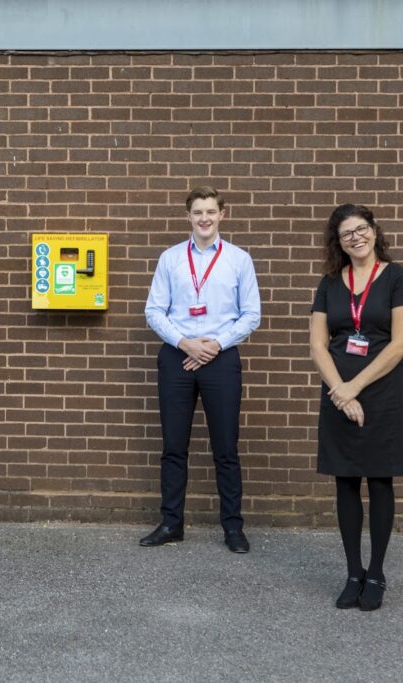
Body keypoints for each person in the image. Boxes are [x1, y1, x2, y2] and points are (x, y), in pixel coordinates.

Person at [309, 204, 403, 611]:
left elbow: (400, 344)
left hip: (382, 392)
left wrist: (354, 387)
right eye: (346, 234)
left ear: (374, 231)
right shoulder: (328, 283)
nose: (355, 238)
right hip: (338, 392)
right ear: (337, 243)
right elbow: (319, 344)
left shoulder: (396, 278)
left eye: (361, 229)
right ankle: (353, 572)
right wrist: (340, 390)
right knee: (344, 480)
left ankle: (376, 573)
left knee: (379, 479)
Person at [143, 187, 261, 552]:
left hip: (221, 359)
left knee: (225, 447)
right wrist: (185, 344)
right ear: (188, 216)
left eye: (210, 211)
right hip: (177, 357)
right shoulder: (171, 258)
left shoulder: (239, 259)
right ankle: (171, 523)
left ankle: (232, 527)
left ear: (222, 214)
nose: (204, 218)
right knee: (174, 446)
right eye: (197, 212)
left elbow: (251, 315)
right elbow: (154, 311)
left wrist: (213, 346)